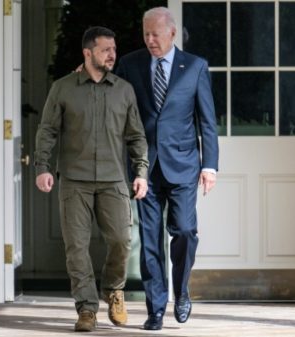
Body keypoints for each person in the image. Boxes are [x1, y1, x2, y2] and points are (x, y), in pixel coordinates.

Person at [34, 26, 149, 332]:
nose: (113, 55)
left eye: (114, 49)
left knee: (122, 240)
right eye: (105, 50)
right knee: (77, 247)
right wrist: (42, 166)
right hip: (75, 181)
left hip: (114, 180)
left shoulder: (123, 90)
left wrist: (141, 172)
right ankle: (86, 308)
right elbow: (48, 130)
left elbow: (136, 136)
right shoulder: (63, 88)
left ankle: (114, 289)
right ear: (87, 53)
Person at [115, 7, 219, 331]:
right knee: (149, 241)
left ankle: (182, 288)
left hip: (184, 164)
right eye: (145, 34)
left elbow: (207, 121)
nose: (149, 41)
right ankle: (156, 308)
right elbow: (115, 104)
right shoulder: (130, 65)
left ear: (172, 34)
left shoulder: (195, 67)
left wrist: (210, 166)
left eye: (155, 35)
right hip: (144, 167)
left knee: (185, 230)